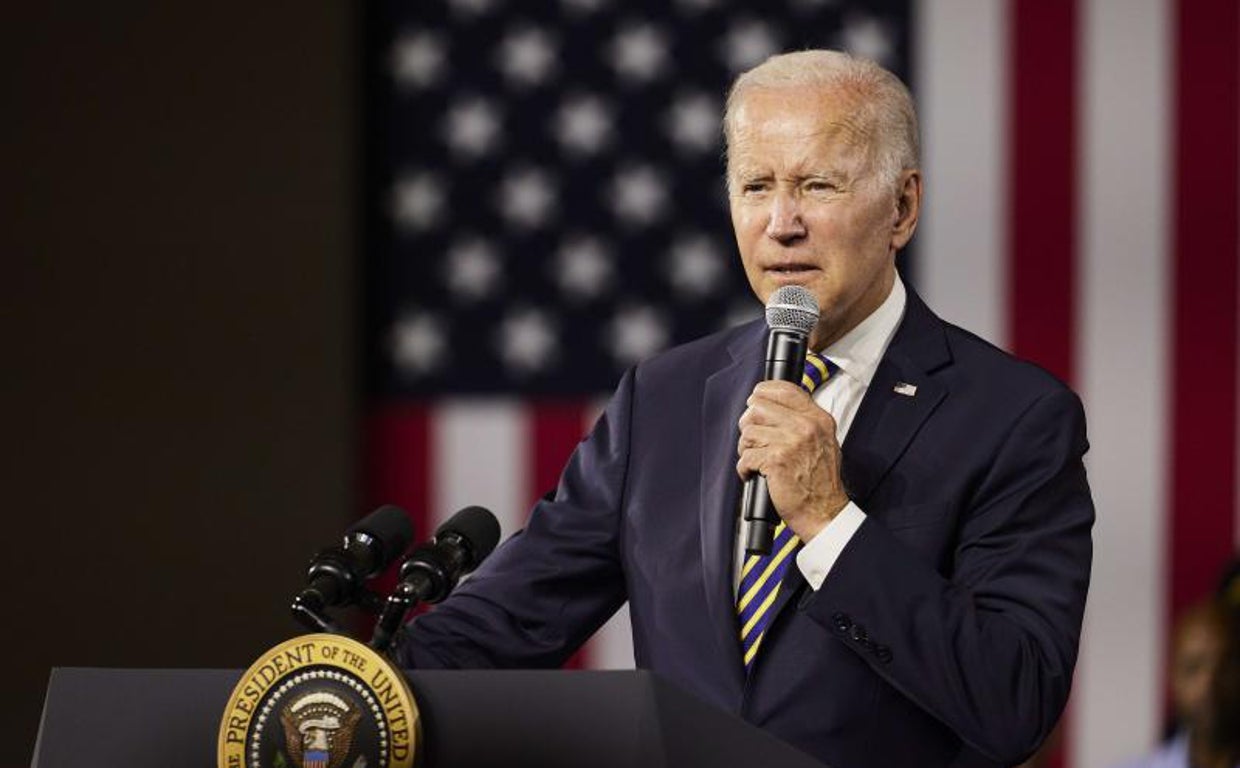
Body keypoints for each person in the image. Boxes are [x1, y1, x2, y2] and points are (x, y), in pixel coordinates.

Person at [395, 50, 1094, 768]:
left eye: (818, 185)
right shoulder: (662, 399)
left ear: (902, 207)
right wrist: (344, 679)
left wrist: (830, 522)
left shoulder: (1013, 417)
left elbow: (1014, 699)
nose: (781, 223)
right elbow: (508, 620)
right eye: (756, 185)